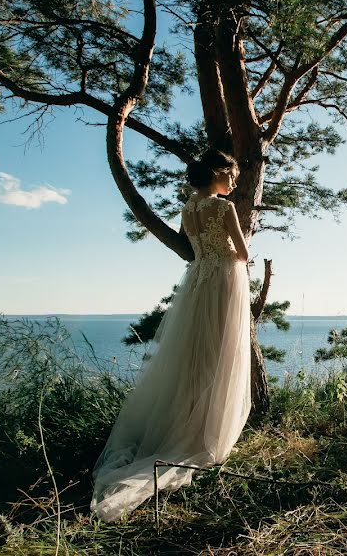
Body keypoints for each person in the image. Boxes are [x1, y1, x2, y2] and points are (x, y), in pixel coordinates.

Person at [90, 149, 252, 522]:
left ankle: (183, 421)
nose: (234, 182)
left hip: (197, 282)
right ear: (217, 174)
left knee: (193, 353)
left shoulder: (188, 209)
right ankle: (205, 428)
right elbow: (241, 252)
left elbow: (194, 250)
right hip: (225, 281)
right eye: (232, 175)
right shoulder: (223, 209)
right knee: (220, 352)